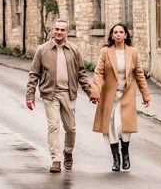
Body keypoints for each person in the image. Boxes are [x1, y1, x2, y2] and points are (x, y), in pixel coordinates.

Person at [26, 18, 94, 173]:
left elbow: (81, 74)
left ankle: (68, 152)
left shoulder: (74, 50)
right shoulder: (42, 50)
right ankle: (56, 159)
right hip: (50, 94)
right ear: (52, 29)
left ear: (67, 32)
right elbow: (33, 74)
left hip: (69, 94)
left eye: (63, 30)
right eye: (57, 29)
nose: (59, 32)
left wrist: (90, 92)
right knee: (53, 126)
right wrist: (30, 95)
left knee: (70, 128)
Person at [90, 23, 150, 172]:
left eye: (120, 32)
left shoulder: (133, 52)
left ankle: (126, 154)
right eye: (115, 32)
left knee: (125, 127)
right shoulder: (106, 51)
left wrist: (145, 95)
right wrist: (95, 93)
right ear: (111, 36)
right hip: (110, 96)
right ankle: (116, 159)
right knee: (112, 128)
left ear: (125, 35)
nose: (118, 34)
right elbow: (98, 73)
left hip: (126, 95)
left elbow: (139, 74)